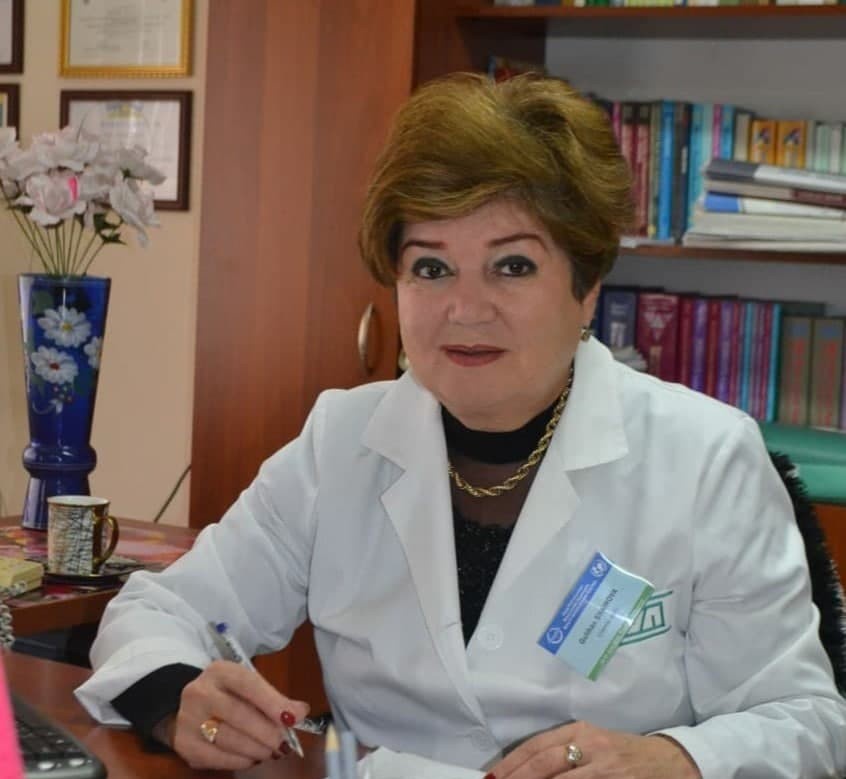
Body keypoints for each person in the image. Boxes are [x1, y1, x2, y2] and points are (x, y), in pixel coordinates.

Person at [75, 73, 846, 778]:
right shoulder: (342, 440)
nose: (465, 309)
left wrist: (678, 758)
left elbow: (808, 719)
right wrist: (176, 697)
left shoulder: (706, 457)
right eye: (431, 267)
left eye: (512, 265)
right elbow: (159, 611)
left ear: (586, 287)